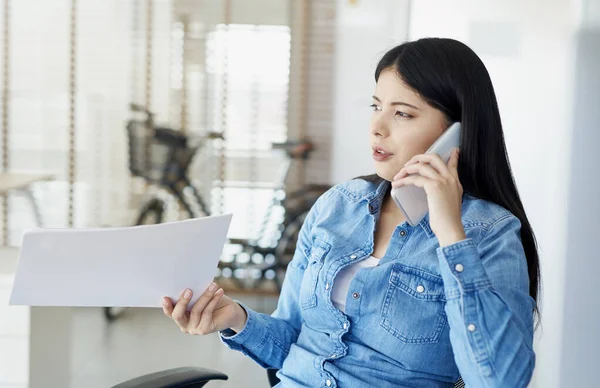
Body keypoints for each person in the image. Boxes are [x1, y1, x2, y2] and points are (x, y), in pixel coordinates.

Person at [162, 37, 540, 387]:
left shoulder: (489, 232)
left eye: (403, 114)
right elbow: (292, 344)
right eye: (376, 107)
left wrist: (450, 234)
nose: (377, 127)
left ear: (456, 133)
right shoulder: (338, 206)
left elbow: (499, 380)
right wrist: (234, 319)